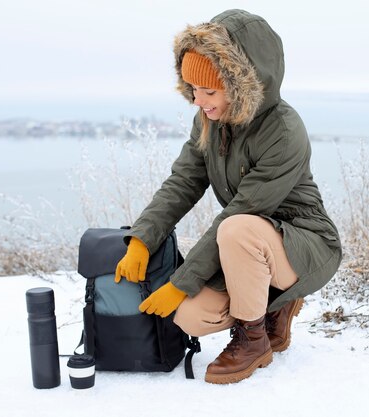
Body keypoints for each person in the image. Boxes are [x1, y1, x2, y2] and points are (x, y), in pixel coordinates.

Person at [114, 9, 342, 384]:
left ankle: (254, 340)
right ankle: (275, 306)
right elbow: (183, 181)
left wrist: (180, 281)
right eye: (192, 90)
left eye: (209, 90)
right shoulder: (209, 121)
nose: (198, 101)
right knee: (191, 315)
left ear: (240, 84)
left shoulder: (283, 131)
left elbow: (242, 212)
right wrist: (142, 238)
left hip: (305, 243)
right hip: (247, 242)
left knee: (237, 229)